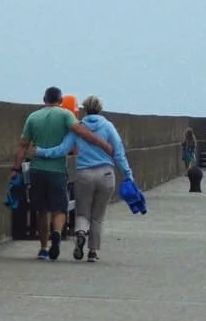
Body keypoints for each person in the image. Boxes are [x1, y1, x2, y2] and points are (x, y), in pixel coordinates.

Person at [15, 86, 111, 260]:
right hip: (57, 170)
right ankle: (57, 234)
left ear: (44, 99)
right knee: (59, 208)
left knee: (41, 210)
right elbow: (81, 133)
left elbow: (22, 146)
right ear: (60, 101)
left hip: (37, 169)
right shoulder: (66, 115)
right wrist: (103, 144)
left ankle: (44, 248)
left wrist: (15, 169)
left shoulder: (33, 117)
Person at [69, 95, 134, 262]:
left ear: (84, 108)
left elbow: (63, 147)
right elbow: (118, 153)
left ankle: (81, 233)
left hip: (84, 174)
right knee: (98, 216)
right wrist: (128, 174)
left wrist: (41, 152)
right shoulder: (108, 126)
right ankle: (92, 252)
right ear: (100, 109)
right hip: (106, 174)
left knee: (82, 212)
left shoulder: (78, 127)